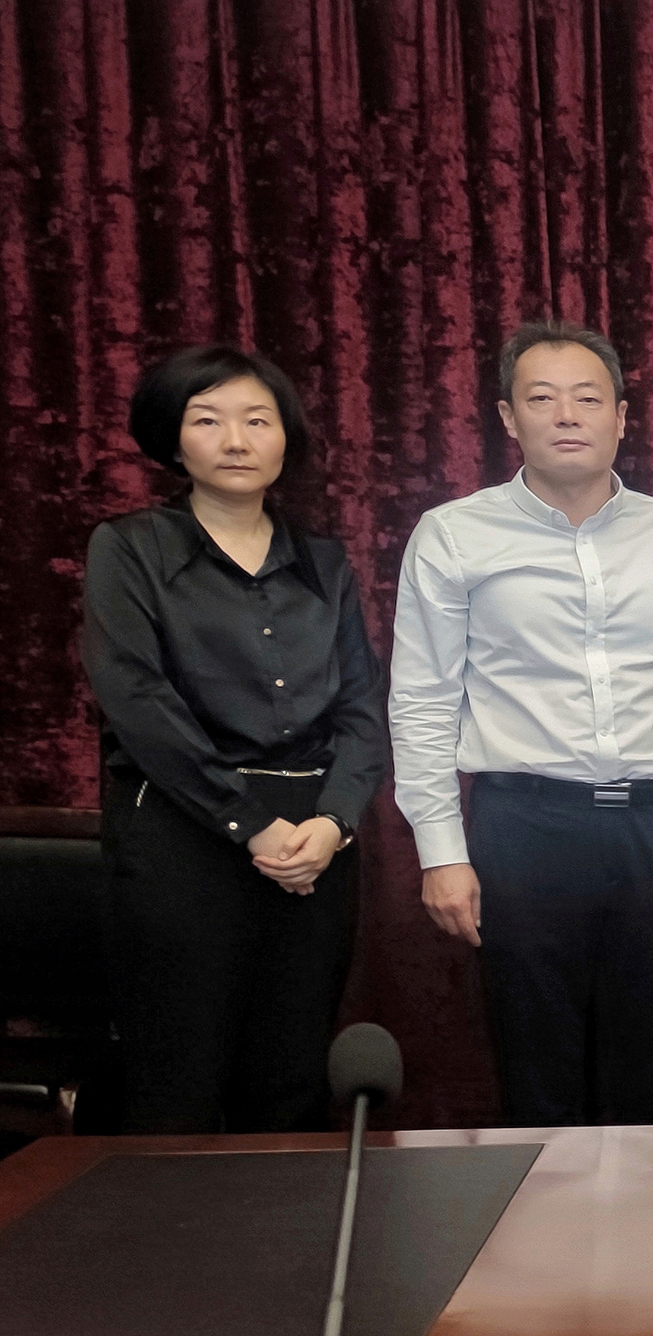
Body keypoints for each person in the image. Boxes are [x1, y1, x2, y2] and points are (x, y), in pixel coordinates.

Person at [389, 320, 653, 1127]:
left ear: (621, 417)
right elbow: (422, 701)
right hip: (524, 828)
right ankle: (547, 1216)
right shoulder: (454, 534)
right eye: (542, 398)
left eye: (587, 399)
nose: (566, 416)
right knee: (538, 1072)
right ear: (507, 417)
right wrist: (441, 850)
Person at [82, 345, 388, 1134]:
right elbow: (137, 699)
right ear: (173, 439)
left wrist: (335, 822)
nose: (236, 440)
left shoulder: (324, 562)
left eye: (257, 420)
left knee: (291, 1079)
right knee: (177, 1080)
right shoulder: (129, 548)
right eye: (208, 420)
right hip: (180, 833)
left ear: (286, 438)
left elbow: (362, 706)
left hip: (313, 847)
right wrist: (250, 825)